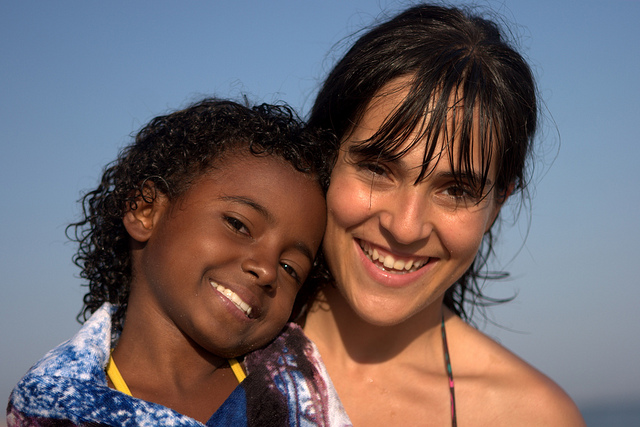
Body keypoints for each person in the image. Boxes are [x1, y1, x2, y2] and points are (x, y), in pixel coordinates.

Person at [302, 4, 586, 426]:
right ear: (327, 155)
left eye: (455, 190)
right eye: (378, 169)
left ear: (498, 205)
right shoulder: (208, 346)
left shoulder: (532, 416)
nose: (404, 226)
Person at [7, 99, 351, 426]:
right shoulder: (52, 405)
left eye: (291, 268)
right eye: (238, 225)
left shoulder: (304, 388)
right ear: (146, 210)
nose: (266, 270)